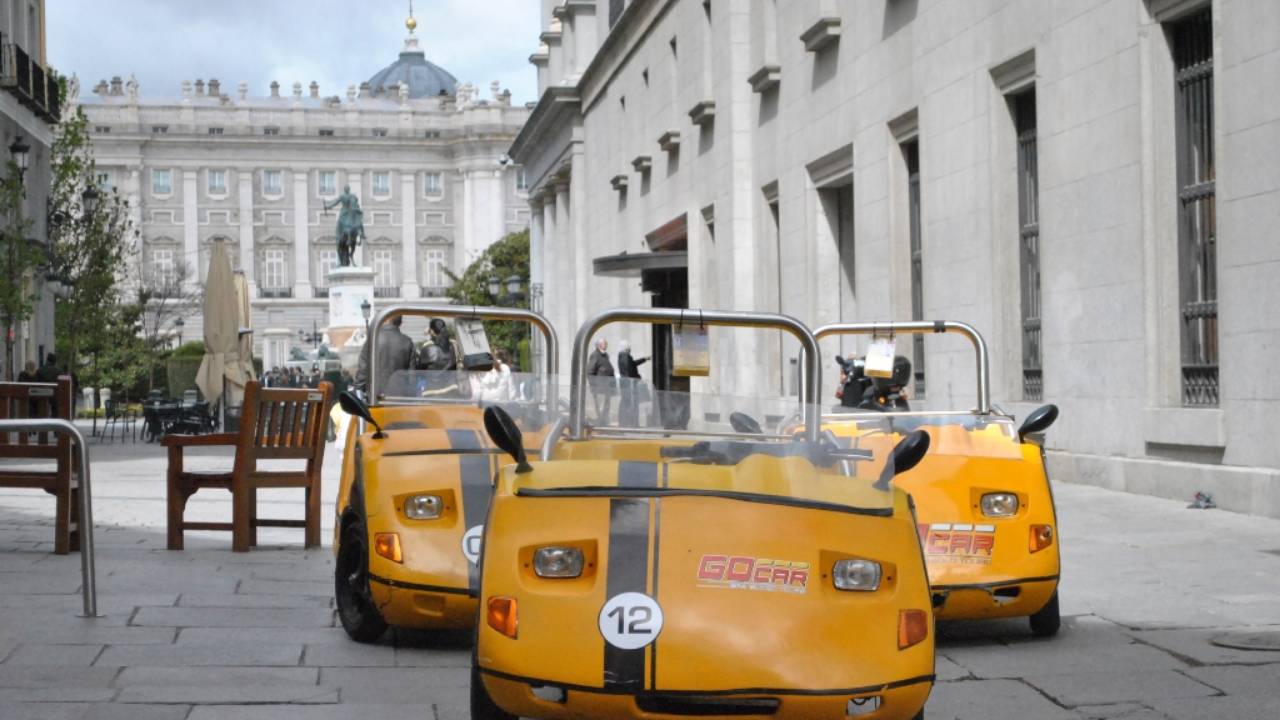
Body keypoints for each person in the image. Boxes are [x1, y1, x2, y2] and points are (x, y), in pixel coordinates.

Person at [355, 315, 417, 399]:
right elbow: (412, 375)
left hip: (375, 396)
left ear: (385, 320)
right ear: (400, 323)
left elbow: (363, 369)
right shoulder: (407, 342)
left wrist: (358, 390)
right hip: (399, 397)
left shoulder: (373, 339)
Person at [417, 318, 464, 397]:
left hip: (432, 392)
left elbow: (420, 371)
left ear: (431, 331)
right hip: (452, 390)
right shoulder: (454, 345)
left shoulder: (427, 347)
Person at [616, 340, 648, 427]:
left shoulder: (623, 356)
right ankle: (631, 423)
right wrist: (637, 377)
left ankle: (627, 423)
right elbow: (629, 370)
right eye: (629, 348)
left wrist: (644, 359)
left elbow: (632, 364)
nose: (630, 349)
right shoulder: (625, 356)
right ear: (626, 348)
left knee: (626, 403)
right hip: (629, 385)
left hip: (627, 384)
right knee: (629, 404)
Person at [587, 338, 616, 424]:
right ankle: (600, 423)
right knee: (600, 407)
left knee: (606, 407)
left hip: (607, 387)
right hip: (599, 388)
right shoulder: (595, 355)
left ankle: (604, 423)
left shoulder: (605, 355)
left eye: (606, 343)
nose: (606, 344)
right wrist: (594, 386)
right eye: (604, 343)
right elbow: (590, 371)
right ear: (599, 345)